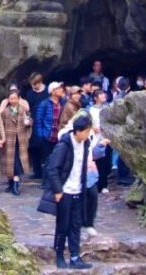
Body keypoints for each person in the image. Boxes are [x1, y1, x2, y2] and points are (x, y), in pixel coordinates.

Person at [45, 115, 94, 270]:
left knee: (76, 225)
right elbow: (52, 169)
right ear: (78, 131)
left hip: (79, 190)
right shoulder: (64, 145)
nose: (88, 134)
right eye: (86, 131)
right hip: (65, 192)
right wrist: (58, 190)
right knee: (62, 225)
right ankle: (59, 255)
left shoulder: (86, 143)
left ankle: (75, 256)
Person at [0, 86, 32, 195]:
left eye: (15, 98)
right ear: (8, 99)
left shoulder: (23, 110)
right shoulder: (5, 112)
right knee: (10, 162)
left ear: (18, 99)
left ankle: (16, 183)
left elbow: (30, 121)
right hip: (9, 139)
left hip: (20, 139)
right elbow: (0, 125)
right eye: (11, 98)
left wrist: (28, 123)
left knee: (17, 161)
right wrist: (1, 138)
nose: (13, 100)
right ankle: (11, 182)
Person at [23, 73, 49, 179]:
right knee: (34, 148)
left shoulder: (47, 92)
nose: (33, 86)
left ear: (39, 82)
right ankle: (37, 171)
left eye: (34, 84)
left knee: (45, 148)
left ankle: (45, 173)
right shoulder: (29, 93)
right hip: (33, 123)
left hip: (44, 123)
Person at [34, 82, 65, 167]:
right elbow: (38, 120)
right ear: (52, 91)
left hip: (58, 135)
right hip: (47, 135)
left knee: (57, 159)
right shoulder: (44, 103)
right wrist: (41, 135)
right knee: (46, 159)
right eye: (58, 88)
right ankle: (46, 179)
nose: (61, 90)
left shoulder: (62, 102)